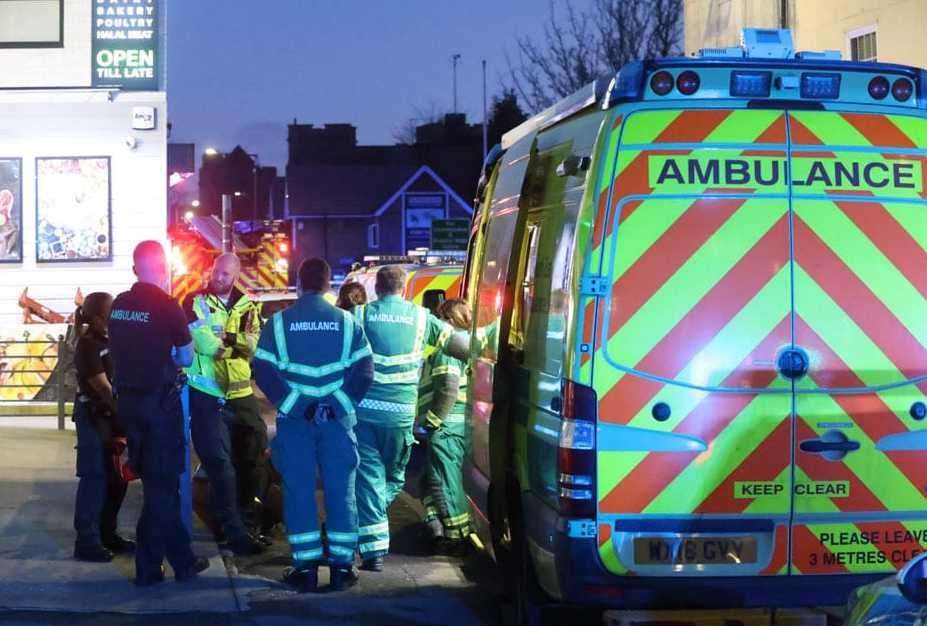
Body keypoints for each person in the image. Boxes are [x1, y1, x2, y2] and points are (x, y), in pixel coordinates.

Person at [254, 257, 374, 593]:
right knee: (341, 492)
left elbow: (263, 370)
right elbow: (365, 373)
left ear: (299, 282)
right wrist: (334, 406)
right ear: (326, 284)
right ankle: (341, 569)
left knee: (299, 492)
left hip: (295, 424)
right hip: (337, 423)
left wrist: (299, 406)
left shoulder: (278, 323)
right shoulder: (348, 323)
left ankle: (305, 569)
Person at [352, 265, 468, 572]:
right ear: (403, 289)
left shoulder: (359, 315)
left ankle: (365, 539)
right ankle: (371, 545)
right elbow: (462, 347)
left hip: (364, 414)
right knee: (392, 479)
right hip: (400, 417)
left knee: (369, 478)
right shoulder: (421, 318)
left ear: (377, 288)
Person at [108, 240, 209, 586]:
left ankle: (181, 561)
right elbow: (184, 358)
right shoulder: (168, 306)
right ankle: (152, 568)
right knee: (162, 489)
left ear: (136, 268)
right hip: (160, 407)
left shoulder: (119, 305)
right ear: (163, 269)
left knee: (155, 485)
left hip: (129, 407)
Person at [182, 253, 267, 555]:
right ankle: (232, 531)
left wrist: (226, 340)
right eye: (216, 272)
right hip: (207, 394)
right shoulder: (196, 302)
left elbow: (254, 345)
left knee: (253, 457)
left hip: (241, 395)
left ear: (235, 275)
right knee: (220, 465)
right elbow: (204, 344)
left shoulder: (248, 305)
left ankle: (246, 522)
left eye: (224, 274)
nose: (217, 278)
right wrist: (235, 344)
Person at [72, 292, 134, 562]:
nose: (114, 319)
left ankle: (108, 534)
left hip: (111, 417)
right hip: (93, 416)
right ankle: (87, 541)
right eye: (110, 314)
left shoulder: (112, 340)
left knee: (117, 479)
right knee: (94, 477)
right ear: (97, 318)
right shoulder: (88, 345)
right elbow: (103, 388)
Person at [417, 299, 472, 556]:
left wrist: (432, 422)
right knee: (434, 480)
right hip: (454, 425)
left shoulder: (448, 349)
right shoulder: (466, 343)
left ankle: (455, 536)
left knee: (445, 481)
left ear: (448, 320)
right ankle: (446, 530)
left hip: (445, 427)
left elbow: (448, 389)